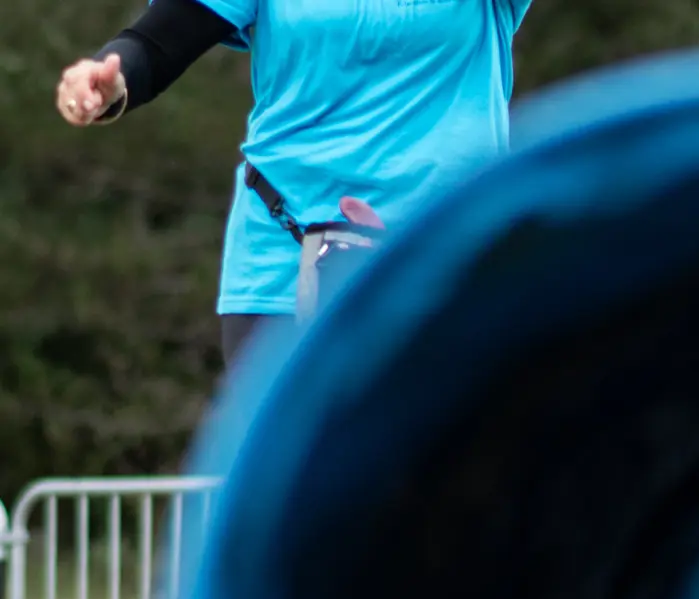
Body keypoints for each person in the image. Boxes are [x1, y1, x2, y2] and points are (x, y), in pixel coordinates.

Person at [55, 0, 533, 369]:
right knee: (308, 489)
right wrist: (108, 80)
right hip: (286, 262)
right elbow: (160, 41)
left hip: (451, 261)